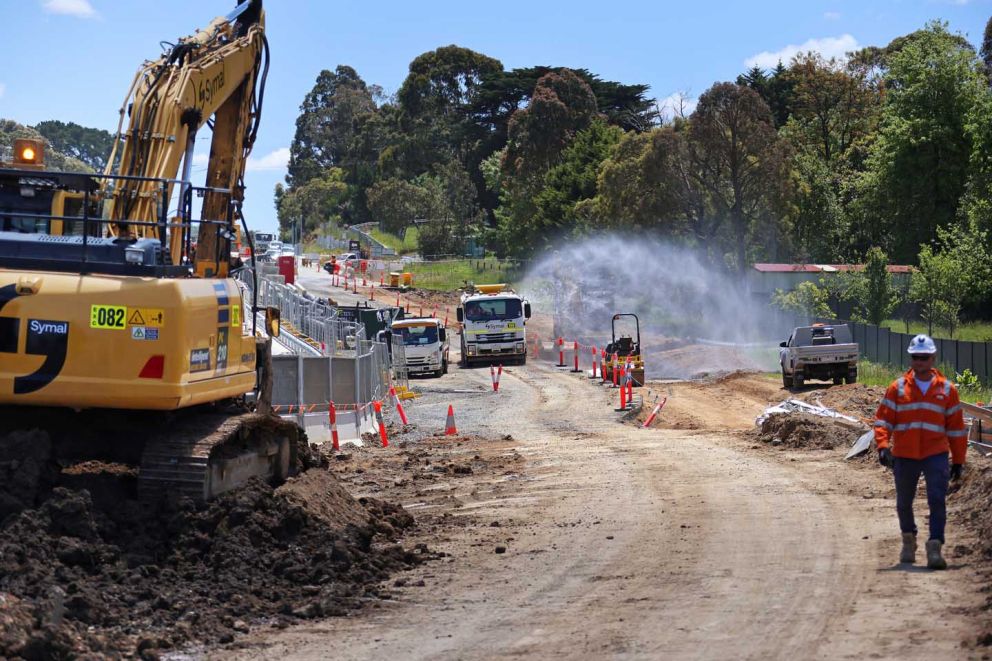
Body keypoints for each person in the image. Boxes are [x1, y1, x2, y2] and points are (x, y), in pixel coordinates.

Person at [874, 334, 967, 569]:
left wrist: (958, 461)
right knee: (903, 503)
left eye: (924, 358)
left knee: (937, 501)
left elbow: (956, 430)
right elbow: (883, 421)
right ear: (911, 358)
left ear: (933, 358)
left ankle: (935, 546)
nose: (920, 362)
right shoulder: (898, 388)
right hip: (905, 456)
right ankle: (908, 540)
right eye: (916, 357)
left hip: (935, 454)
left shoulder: (947, 390)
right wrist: (883, 446)